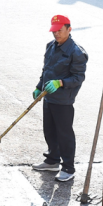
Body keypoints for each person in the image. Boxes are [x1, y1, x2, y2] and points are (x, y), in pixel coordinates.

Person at [31, 15, 88, 182]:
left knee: (64, 134)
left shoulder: (76, 52)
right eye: (54, 31)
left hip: (63, 100)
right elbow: (46, 70)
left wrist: (60, 83)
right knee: (49, 130)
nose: (56, 34)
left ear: (69, 30)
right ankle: (52, 161)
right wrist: (39, 86)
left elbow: (78, 78)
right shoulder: (50, 46)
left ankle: (68, 168)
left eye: (59, 31)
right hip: (48, 97)